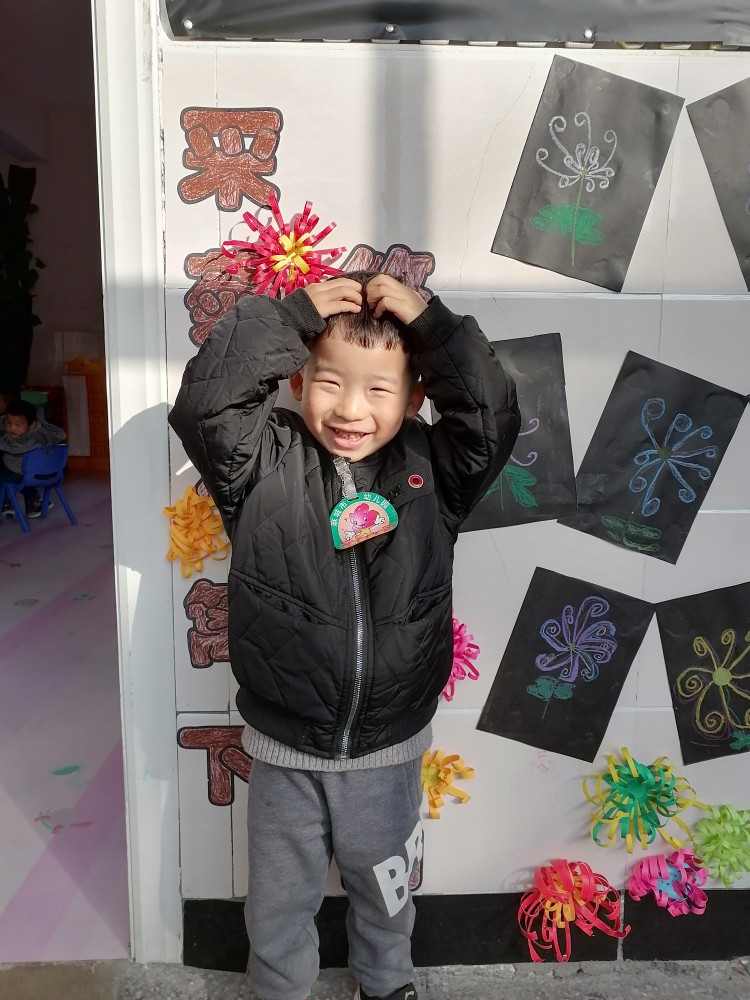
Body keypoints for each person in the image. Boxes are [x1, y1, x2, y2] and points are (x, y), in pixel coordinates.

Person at [169, 272, 520, 1000]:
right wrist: (290, 316)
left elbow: (490, 416)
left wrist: (433, 327)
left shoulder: (436, 470)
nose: (351, 409)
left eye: (379, 389)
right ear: (298, 381)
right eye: (330, 382)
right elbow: (205, 406)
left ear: (415, 397)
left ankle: (386, 982)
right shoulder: (260, 463)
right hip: (285, 746)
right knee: (279, 900)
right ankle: (279, 989)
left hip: (389, 748)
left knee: (387, 887)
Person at [0, 398, 66, 518]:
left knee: (4, 473)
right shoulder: (42, 432)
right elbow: (60, 433)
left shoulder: (26, 440)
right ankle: (33, 503)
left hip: (23, 474)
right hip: (47, 474)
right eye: (8, 423)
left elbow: (9, 445)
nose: (12, 428)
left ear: (32, 425)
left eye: (17, 425)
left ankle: (5, 503)